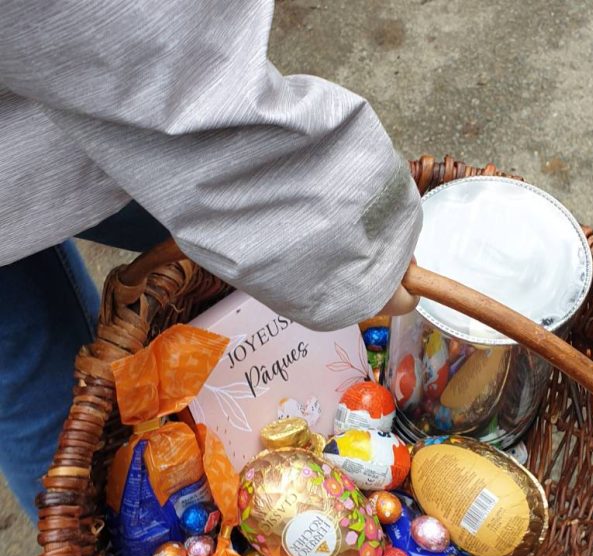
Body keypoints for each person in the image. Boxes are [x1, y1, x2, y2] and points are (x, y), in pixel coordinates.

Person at [0, 0, 422, 521]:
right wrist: (352, 244)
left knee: (26, 371)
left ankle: (93, 524)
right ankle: (100, 530)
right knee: (46, 393)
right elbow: (128, 41)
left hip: (42, 130)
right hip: (90, 115)